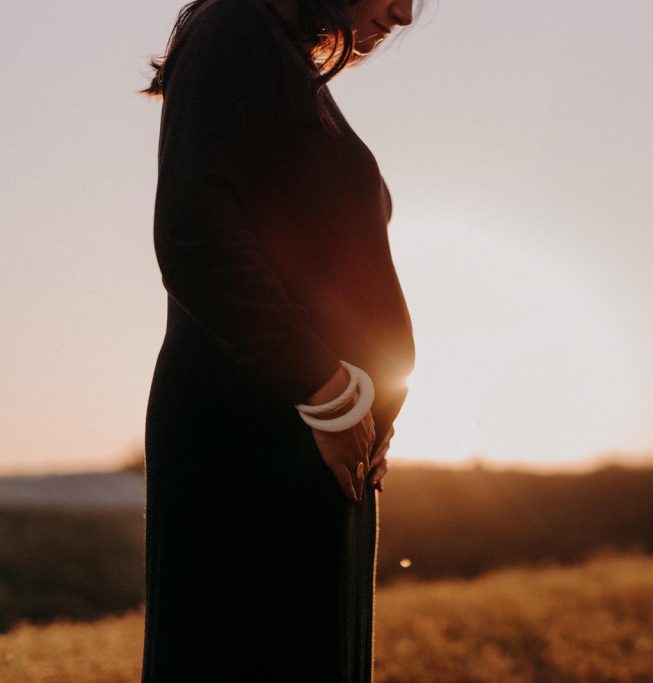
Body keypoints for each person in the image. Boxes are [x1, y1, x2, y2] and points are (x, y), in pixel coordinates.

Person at [138, 0, 416, 679]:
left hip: (313, 451)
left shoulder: (285, 67)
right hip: (256, 446)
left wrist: (364, 406)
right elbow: (195, 235)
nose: (405, 14)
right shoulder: (233, 26)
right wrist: (326, 392)